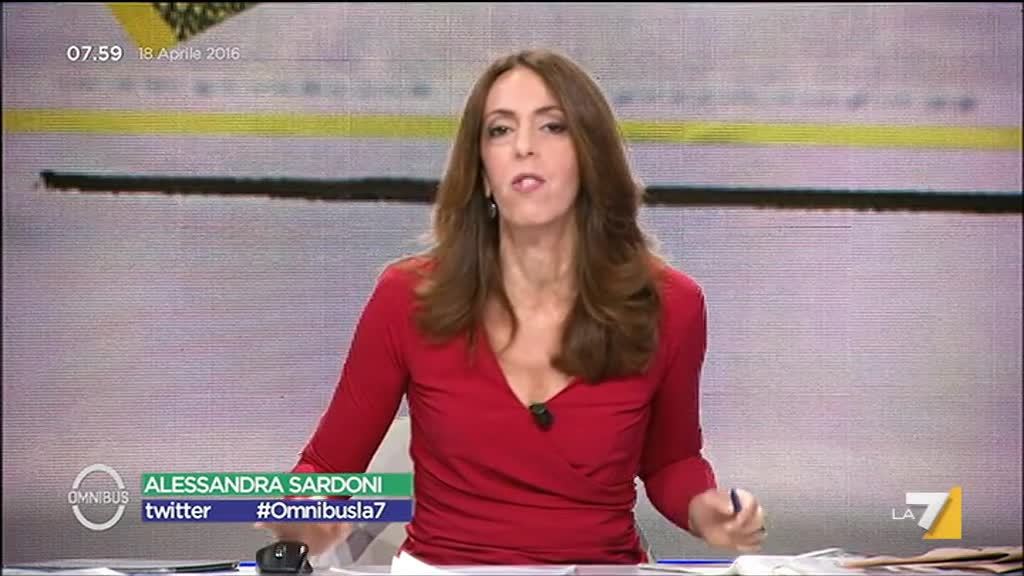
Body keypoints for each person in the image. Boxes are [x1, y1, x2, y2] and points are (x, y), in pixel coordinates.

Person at [256, 48, 766, 565]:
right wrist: (301, 514)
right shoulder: (407, 297)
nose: (524, 147)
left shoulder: (670, 305)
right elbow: (327, 469)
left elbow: (671, 460)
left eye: (552, 127)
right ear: (482, 171)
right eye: (500, 130)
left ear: (591, 156)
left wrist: (707, 512)